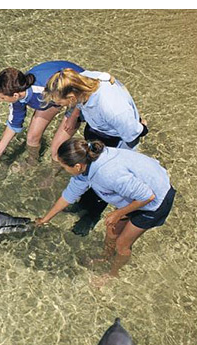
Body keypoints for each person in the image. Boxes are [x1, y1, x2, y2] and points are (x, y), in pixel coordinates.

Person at [35, 138, 175, 286]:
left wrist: (118, 213)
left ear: (77, 166)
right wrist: (45, 219)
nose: (64, 171)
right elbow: (68, 195)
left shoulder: (108, 174)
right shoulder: (86, 163)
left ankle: (112, 274)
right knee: (111, 229)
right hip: (137, 193)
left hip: (157, 200)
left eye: (64, 167)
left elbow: (147, 196)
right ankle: (105, 257)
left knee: (122, 244)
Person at [41, 68, 149, 236]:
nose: (59, 107)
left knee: (102, 180)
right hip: (97, 127)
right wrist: (75, 113)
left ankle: (92, 214)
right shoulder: (82, 80)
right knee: (85, 170)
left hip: (117, 140)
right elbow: (99, 81)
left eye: (60, 103)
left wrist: (142, 127)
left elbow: (133, 133)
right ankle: (83, 204)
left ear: (71, 97)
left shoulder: (111, 108)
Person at [0, 60, 84, 164]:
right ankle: (32, 163)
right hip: (53, 98)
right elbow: (14, 124)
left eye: (2, 97)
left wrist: (73, 117)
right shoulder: (18, 92)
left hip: (78, 95)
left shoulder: (43, 89)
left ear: (15, 95)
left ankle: (52, 175)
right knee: (32, 138)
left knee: (56, 150)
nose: (0, 100)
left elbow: (81, 95)